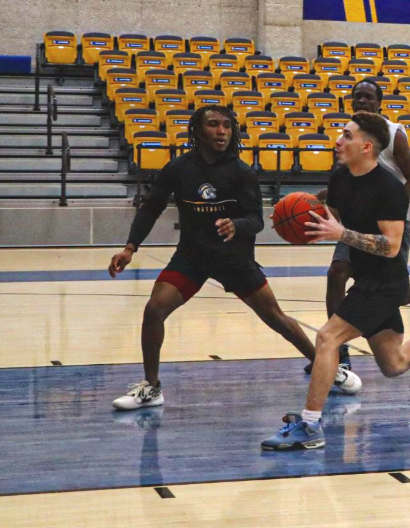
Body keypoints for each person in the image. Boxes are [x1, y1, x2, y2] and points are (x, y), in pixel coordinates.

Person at [261, 113, 410, 450]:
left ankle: (310, 426)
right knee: (393, 363)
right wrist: (302, 221)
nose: (338, 141)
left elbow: (391, 246)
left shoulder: (389, 190)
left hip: (382, 283)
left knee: (328, 338)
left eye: (346, 135)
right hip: (367, 277)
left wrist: (342, 234)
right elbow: (337, 218)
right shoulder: (341, 177)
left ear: (366, 147)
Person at [108, 105, 360, 410]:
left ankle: (330, 369)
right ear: (198, 131)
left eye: (227, 125)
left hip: (234, 259)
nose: (221, 131)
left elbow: (256, 220)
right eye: (214, 125)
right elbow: (150, 208)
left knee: (278, 320)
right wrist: (130, 247)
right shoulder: (178, 169)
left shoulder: (242, 172)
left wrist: (235, 224)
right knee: (154, 310)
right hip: (192, 257)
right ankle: (152, 387)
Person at [303, 79, 410, 375]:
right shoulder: (349, 135)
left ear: (380, 103)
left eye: (368, 97)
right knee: (336, 273)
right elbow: (352, 181)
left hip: (392, 223)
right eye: (358, 97)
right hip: (356, 223)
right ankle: (338, 350)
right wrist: (320, 200)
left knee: (388, 292)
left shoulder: (394, 135)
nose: (363, 101)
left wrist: (388, 208)